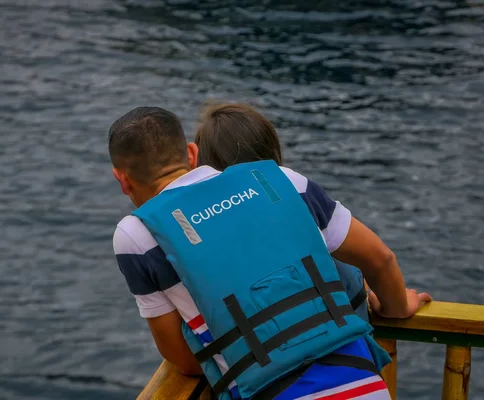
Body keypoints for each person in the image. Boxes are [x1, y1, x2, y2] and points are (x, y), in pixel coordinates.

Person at [109, 106, 431, 399]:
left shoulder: (135, 235)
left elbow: (185, 361)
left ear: (122, 180)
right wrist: (400, 307)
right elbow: (380, 258)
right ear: (192, 155)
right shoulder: (282, 179)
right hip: (365, 385)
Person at [193, 102, 372, 322]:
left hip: (253, 348)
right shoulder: (297, 191)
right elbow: (379, 258)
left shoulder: (193, 226)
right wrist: (396, 305)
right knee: (343, 261)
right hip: (330, 336)